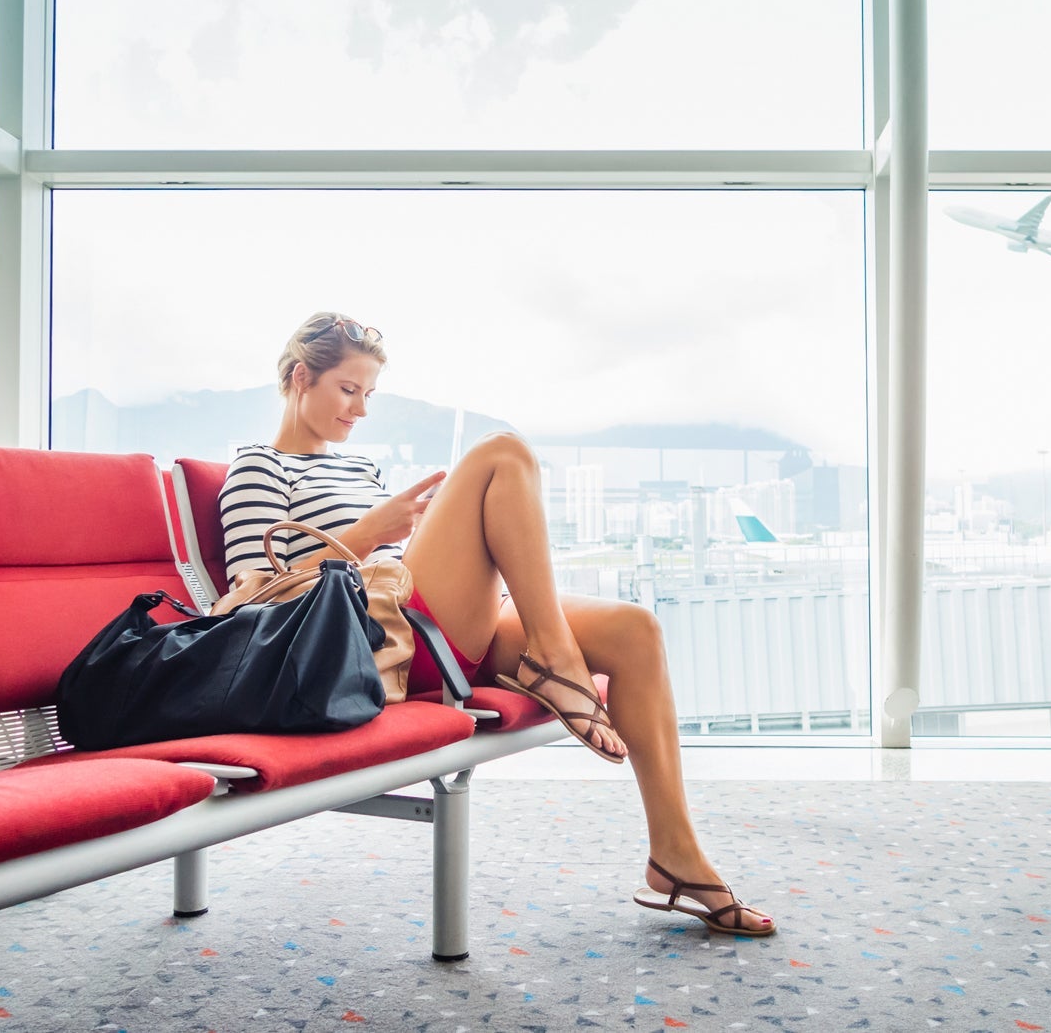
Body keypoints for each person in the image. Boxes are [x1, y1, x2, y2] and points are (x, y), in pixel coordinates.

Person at [220, 310, 776, 937]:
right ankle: (555, 660)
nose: (361, 411)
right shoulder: (258, 470)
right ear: (301, 378)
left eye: (369, 395)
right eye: (348, 391)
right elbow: (253, 606)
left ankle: (675, 853)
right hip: (372, 643)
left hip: (429, 622)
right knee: (502, 452)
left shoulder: (359, 469)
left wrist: (436, 542)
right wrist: (372, 529)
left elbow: (399, 560)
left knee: (635, 630)